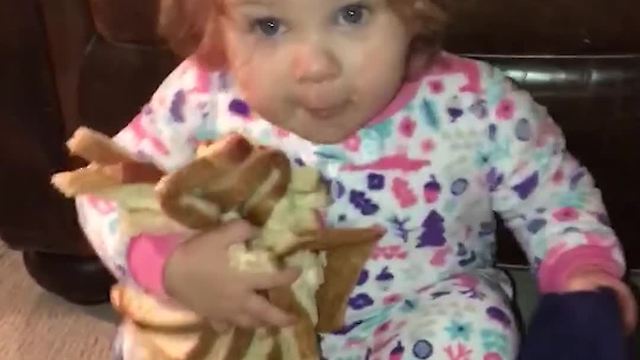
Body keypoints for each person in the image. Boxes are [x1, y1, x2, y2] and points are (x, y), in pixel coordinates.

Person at [75, 0, 637, 358]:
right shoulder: (203, 92)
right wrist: (166, 262)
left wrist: (581, 271)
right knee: (164, 336)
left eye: (351, 14)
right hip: (248, 317)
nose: (314, 65)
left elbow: (553, 194)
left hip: (415, 309)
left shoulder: (476, 103)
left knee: (471, 326)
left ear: (415, 9)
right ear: (213, 23)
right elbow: (108, 182)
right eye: (268, 25)